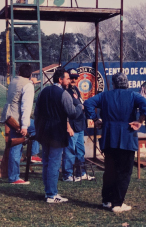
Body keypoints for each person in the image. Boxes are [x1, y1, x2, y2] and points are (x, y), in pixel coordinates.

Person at [84, 72, 146, 213]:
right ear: (126, 83)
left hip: (109, 137)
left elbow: (88, 103)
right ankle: (117, 204)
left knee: (110, 170)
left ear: (113, 83)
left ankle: (107, 200)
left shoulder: (105, 95)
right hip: (127, 136)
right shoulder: (133, 95)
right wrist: (140, 121)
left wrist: (95, 119)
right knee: (124, 171)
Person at [34, 67, 83, 203]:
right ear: (60, 79)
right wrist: (79, 107)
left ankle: (48, 191)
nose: (68, 81)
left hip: (44, 131)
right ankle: (51, 194)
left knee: (46, 162)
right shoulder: (63, 94)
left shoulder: (43, 92)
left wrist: (39, 128)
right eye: (67, 78)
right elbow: (72, 113)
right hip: (56, 132)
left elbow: (36, 112)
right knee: (54, 164)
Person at [0, 64, 36, 185]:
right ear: (30, 74)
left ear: (19, 72)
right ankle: (33, 155)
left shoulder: (14, 81)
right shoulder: (28, 86)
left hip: (9, 117)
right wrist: (25, 126)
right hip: (19, 121)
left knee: (15, 146)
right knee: (39, 128)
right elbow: (26, 107)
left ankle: (13, 175)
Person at [62, 68, 95, 182]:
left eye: (76, 78)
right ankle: (67, 175)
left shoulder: (75, 89)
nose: (74, 80)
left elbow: (80, 104)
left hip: (80, 124)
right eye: (71, 78)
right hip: (71, 125)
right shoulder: (65, 91)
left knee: (80, 150)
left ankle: (81, 173)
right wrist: (68, 126)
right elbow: (65, 110)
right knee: (70, 150)